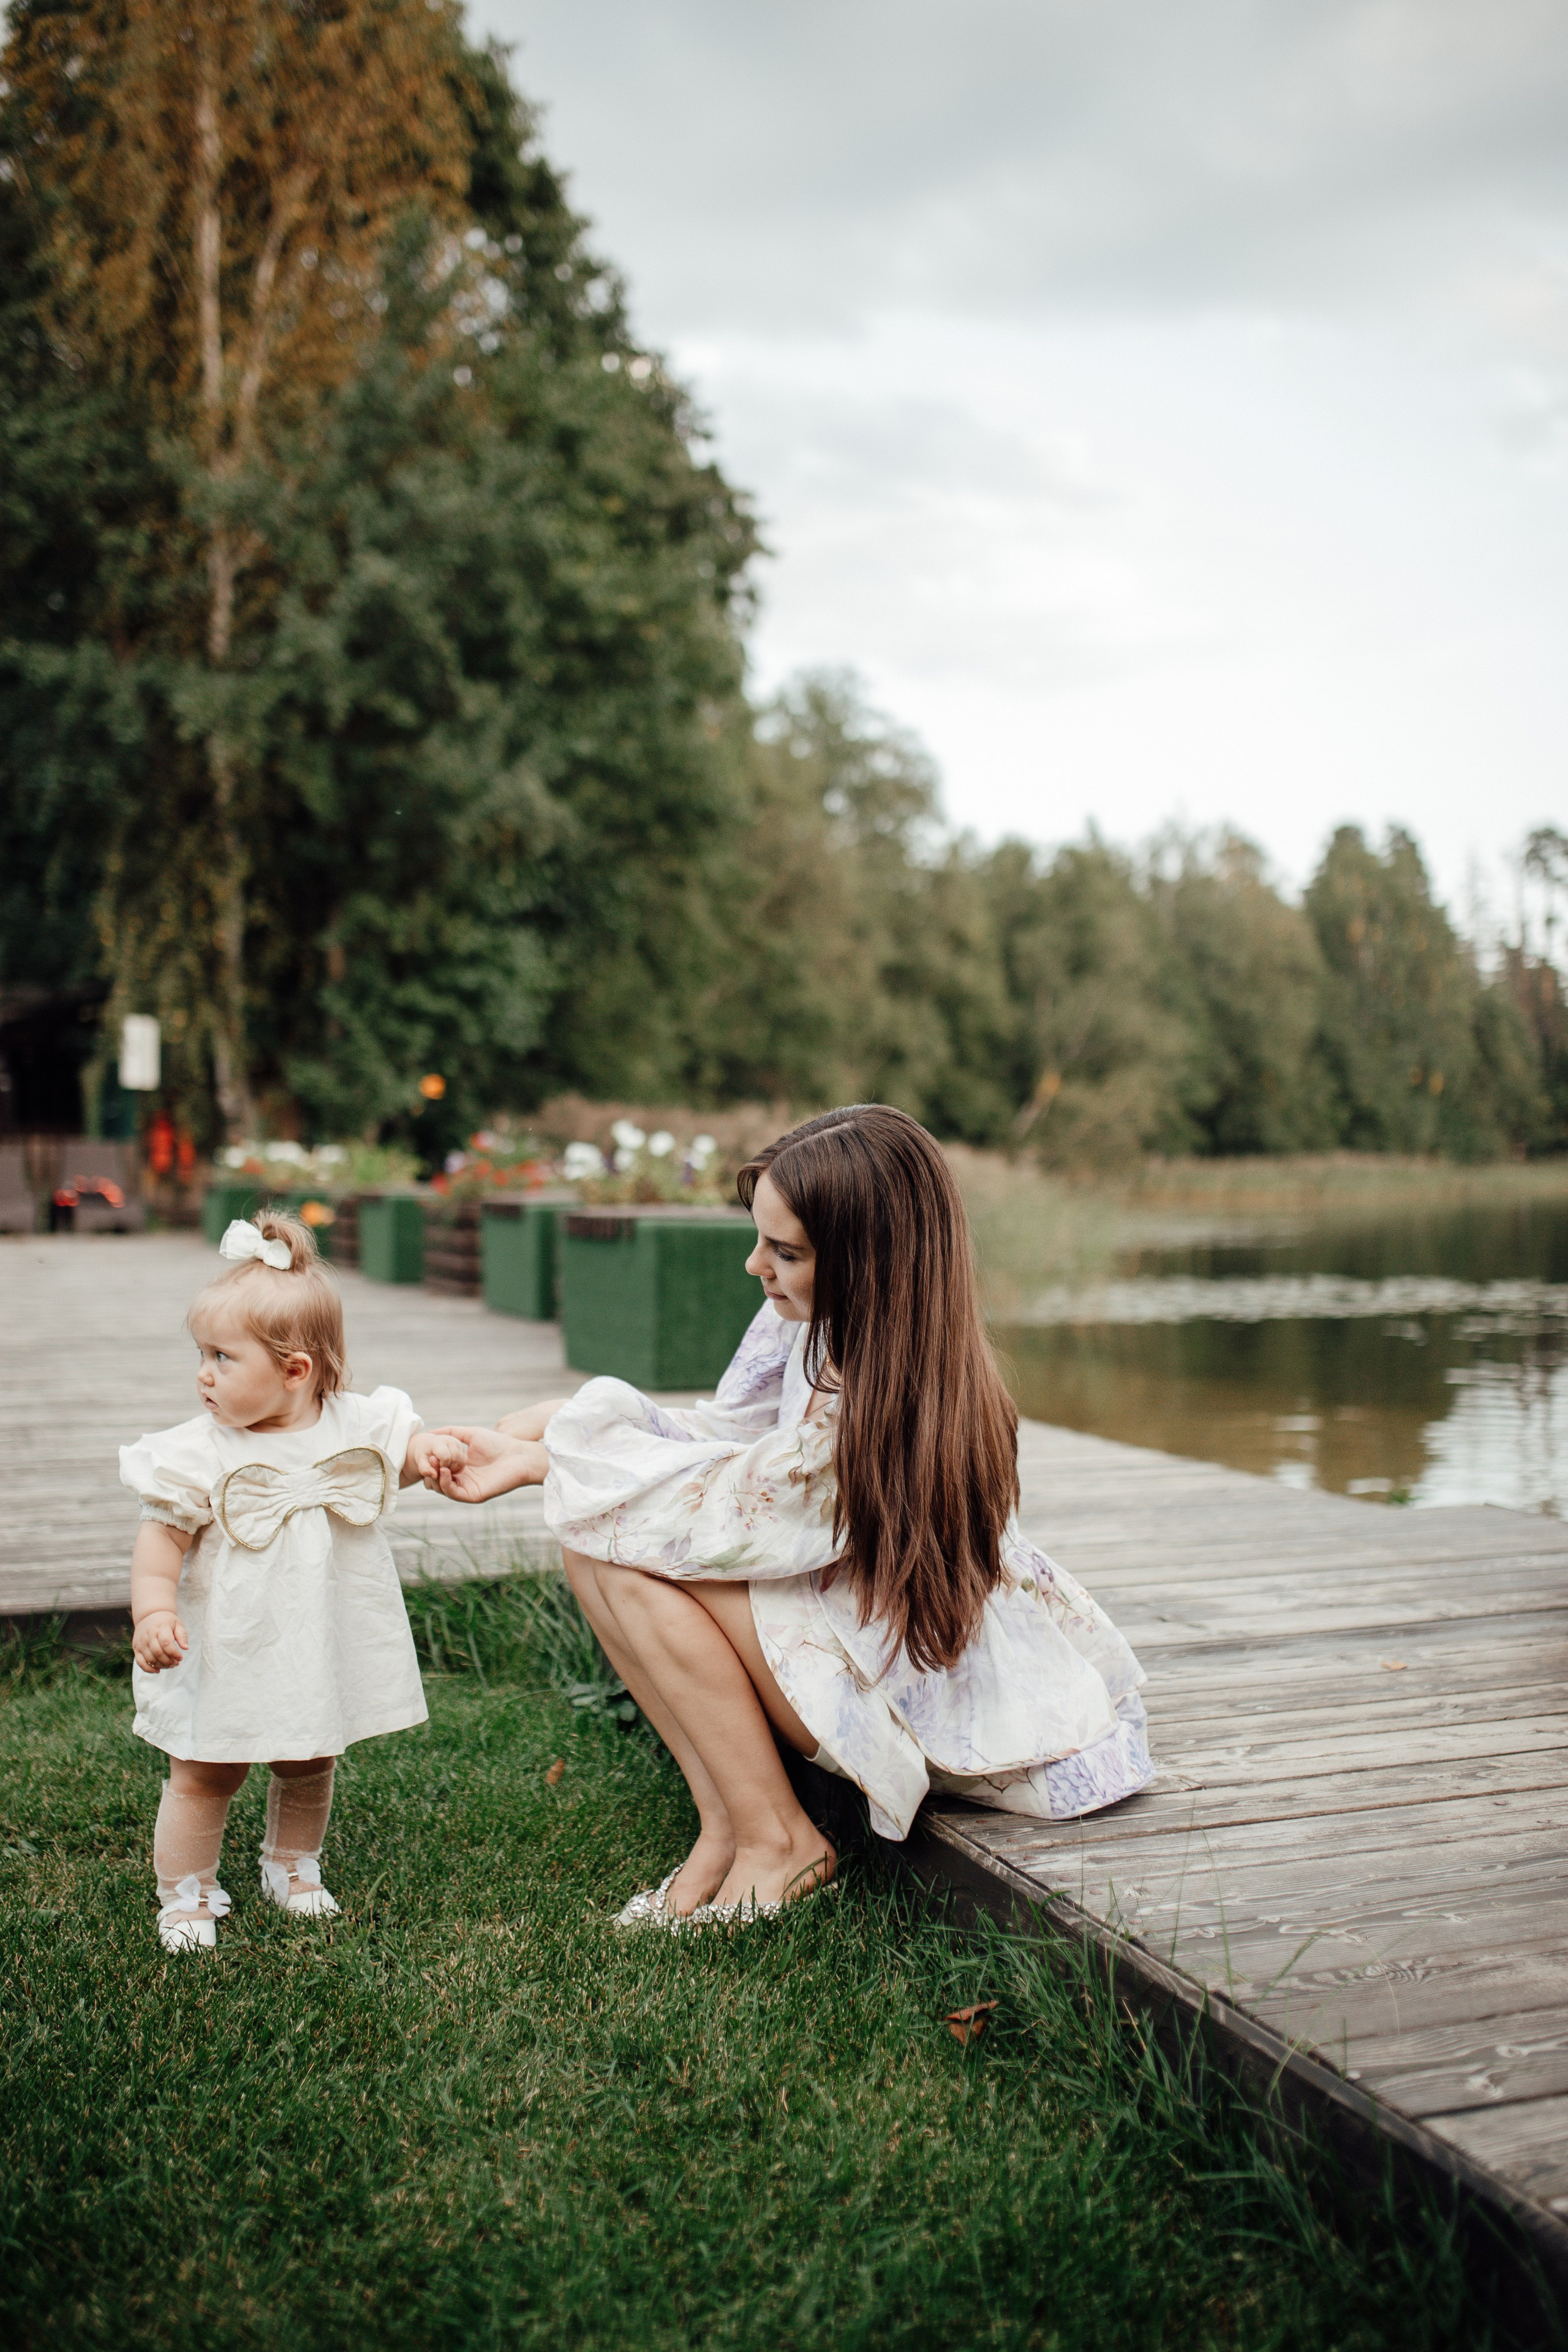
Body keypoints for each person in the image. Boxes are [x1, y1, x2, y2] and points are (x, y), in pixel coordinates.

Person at [434, 1106, 1153, 1927]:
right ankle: (726, 1830)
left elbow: (737, 1508)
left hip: (914, 1688)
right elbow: (726, 1437)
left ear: (867, 1265)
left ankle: (781, 1842)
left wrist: (556, 1456)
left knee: (621, 1549)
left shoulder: (884, 1402)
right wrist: (554, 1432)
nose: (755, 1265)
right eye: (762, 1240)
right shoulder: (823, 1329)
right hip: (849, 1621)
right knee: (597, 1538)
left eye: (785, 1252)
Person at [121, 1213, 467, 1953]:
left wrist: (428, 1447)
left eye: (222, 1357)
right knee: (206, 1766)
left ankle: (292, 1866)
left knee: (310, 1755)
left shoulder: (354, 1424)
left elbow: (401, 1451)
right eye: (202, 1355)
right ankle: (186, 1894)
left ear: (295, 1370)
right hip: (227, 1641)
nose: (202, 1374)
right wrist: (152, 1611)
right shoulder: (198, 1452)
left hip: (315, 1634)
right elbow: (160, 1543)